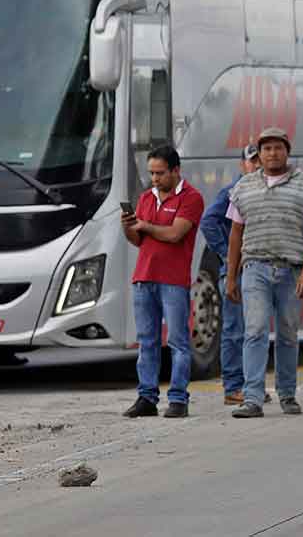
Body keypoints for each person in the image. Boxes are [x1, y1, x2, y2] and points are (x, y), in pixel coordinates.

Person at [226, 128, 303, 417]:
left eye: (278, 148)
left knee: (287, 334)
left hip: (291, 270)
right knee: (255, 330)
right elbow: (235, 234)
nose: (272, 153)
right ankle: (253, 398)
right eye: (267, 148)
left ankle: (287, 394)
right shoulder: (243, 187)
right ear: (259, 154)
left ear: (287, 151)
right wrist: (231, 276)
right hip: (254, 268)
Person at [120, 146, 205, 419]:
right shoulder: (146, 198)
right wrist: (128, 226)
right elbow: (137, 241)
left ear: (176, 170)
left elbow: (174, 234)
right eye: (151, 173)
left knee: (178, 341)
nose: (155, 179)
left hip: (174, 280)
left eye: (160, 173)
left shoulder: (191, 198)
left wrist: (145, 226)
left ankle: (179, 398)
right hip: (144, 277)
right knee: (147, 341)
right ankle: (147, 397)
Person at [199, 144, 261, 405]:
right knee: (235, 330)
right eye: (252, 161)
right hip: (234, 272)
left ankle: (249, 385)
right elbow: (208, 222)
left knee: (253, 331)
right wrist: (227, 253)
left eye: (259, 161)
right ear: (242, 165)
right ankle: (233, 386)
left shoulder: (260, 192)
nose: (257, 165)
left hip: (256, 269)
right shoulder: (233, 192)